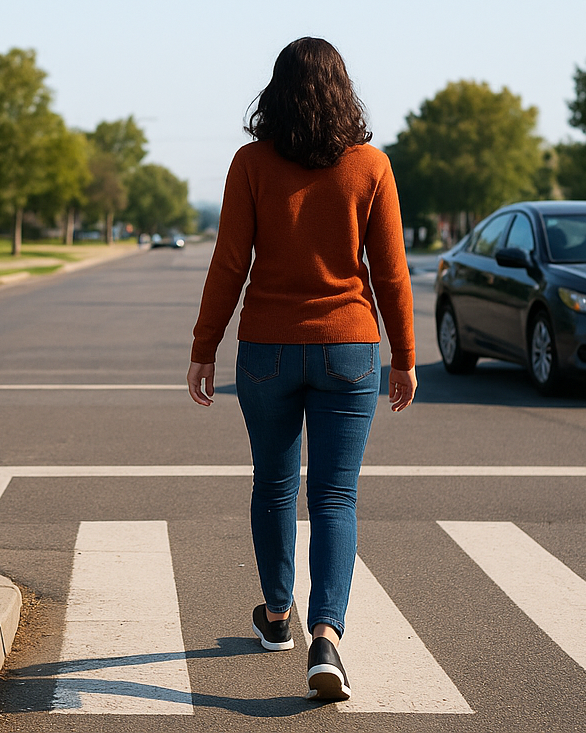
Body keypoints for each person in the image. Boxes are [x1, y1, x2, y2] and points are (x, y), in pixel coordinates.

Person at [187, 36, 417, 703]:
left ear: (275, 93)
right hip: (349, 350)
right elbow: (392, 273)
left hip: (268, 350)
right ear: (344, 93)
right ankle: (327, 636)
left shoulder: (251, 164)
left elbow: (229, 263)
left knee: (274, 485)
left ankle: (278, 616)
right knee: (336, 497)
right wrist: (403, 356)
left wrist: (205, 347)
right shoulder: (371, 166)